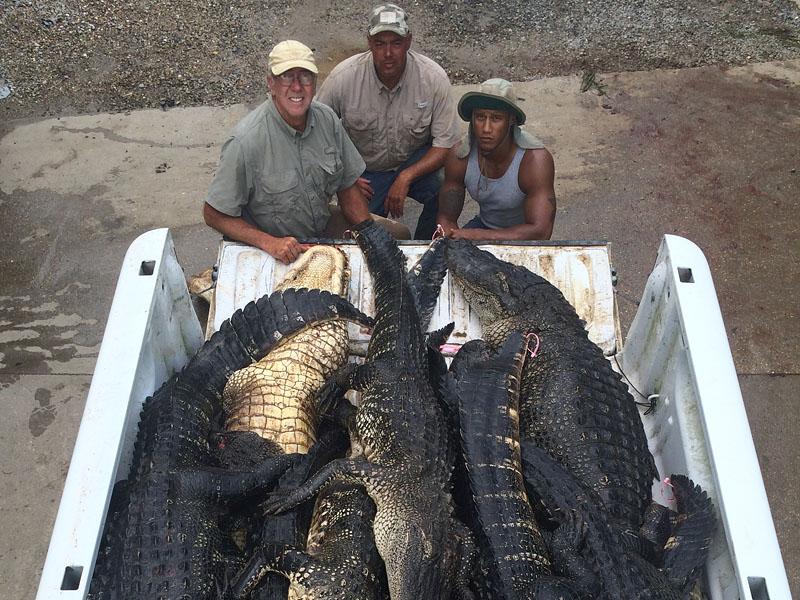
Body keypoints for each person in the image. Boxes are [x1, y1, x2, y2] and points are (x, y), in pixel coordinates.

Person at [203, 40, 409, 265]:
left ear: (315, 82)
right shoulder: (244, 142)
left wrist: (369, 232)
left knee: (396, 238)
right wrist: (269, 242)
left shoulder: (327, 119)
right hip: (271, 244)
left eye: (305, 76)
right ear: (270, 84)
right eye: (286, 76)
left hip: (320, 227)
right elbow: (214, 214)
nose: (297, 86)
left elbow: (347, 186)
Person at [315, 4, 460, 240]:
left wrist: (406, 176)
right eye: (380, 43)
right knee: (360, 231)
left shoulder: (433, 78)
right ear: (369, 43)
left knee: (447, 183)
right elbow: (316, 132)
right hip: (367, 171)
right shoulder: (343, 78)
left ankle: (426, 245)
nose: (388, 53)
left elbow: (446, 144)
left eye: (396, 42)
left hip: (416, 162)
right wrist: (344, 176)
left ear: (409, 41)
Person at [436, 78, 557, 241]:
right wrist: (449, 240)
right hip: (484, 226)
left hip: (523, 236)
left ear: (511, 120)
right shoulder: (460, 156)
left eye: (496, 118)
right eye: (480, 117)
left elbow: (540, 232)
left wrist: (478, 236)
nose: (486, 128)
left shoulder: (535, 161)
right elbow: (446, 217)